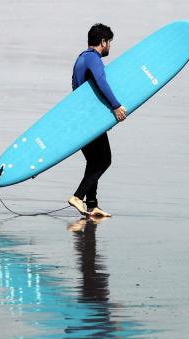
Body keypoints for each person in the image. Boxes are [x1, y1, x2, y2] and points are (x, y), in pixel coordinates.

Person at [68, 23, 127, 217]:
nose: (109, 46)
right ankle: (78, 196)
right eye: (109, 42)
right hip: (90, 120)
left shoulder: (81, 59)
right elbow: (102, 82)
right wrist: (116, 105)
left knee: (94, 161)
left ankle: (92, 205)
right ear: (103, 41)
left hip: (80, 118)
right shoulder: (93, 58)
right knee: (104, 160)